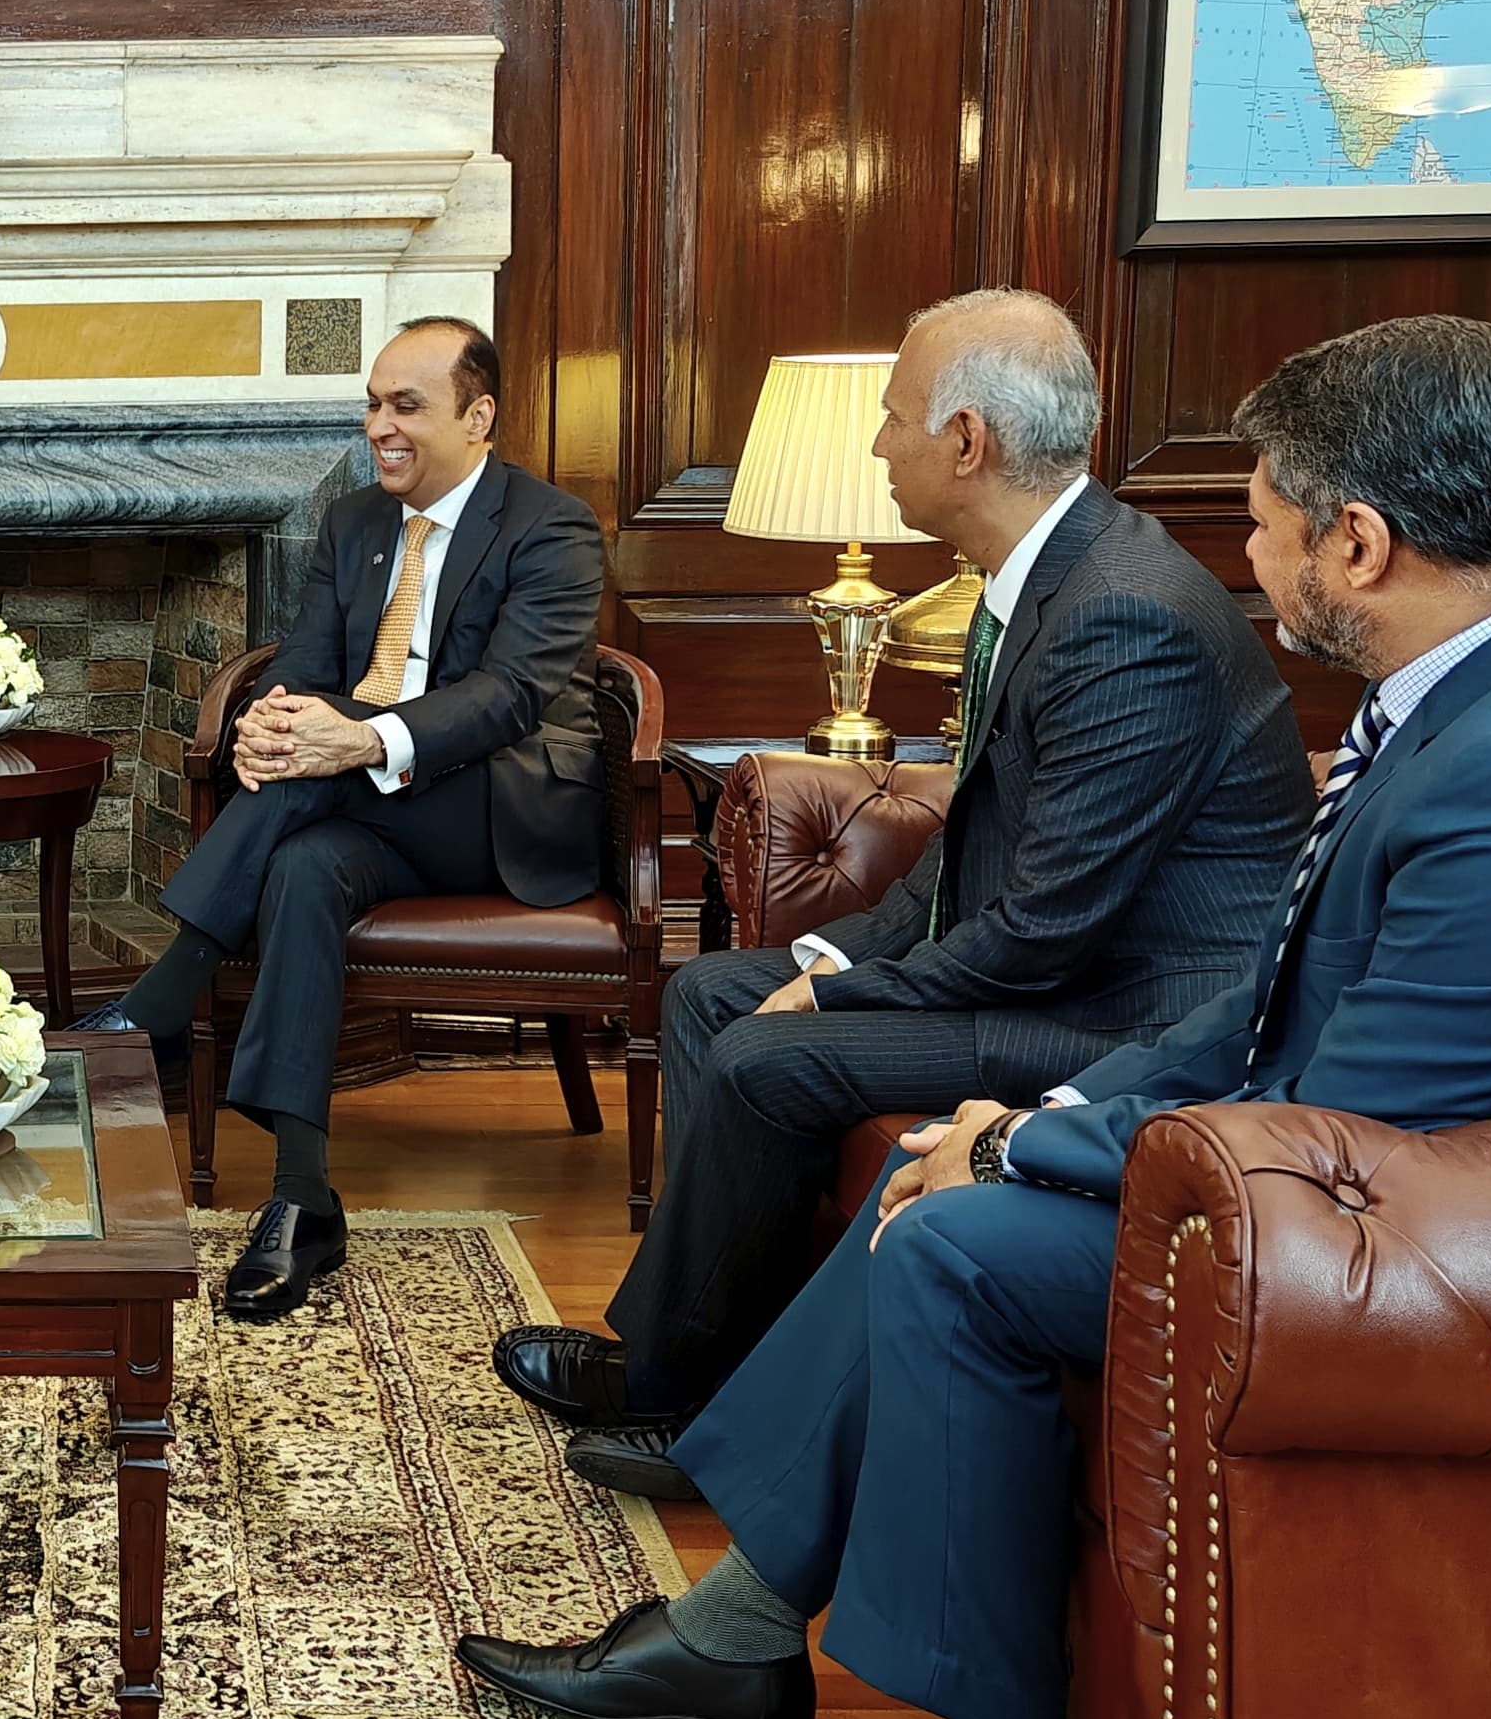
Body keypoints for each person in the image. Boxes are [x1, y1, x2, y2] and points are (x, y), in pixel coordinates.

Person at [453, 318, 1491, 1719]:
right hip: (1457, 1192)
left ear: (1361, 543)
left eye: (1262, 518)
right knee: (943, 1181)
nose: (1241, 554)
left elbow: (1347, 1119)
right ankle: (734, 1638)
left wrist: (1037, 1156)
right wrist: (1055, 1121)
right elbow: (1276, 993)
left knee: (961, 1243)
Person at [496, 291, 1308, 1494]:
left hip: (1125, 1012)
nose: (878, 447)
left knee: (775, 1058)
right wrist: (825, 967)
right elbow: (963, 856)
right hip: (1063, 967)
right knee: (717, 992)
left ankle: (697, 1413)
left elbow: (1046, 927)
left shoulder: (1123, 616)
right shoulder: (1046, 578)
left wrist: (834, 1005)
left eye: (891, 421)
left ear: (966, 441)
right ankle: (676, 1355)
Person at [81, 319, 605, 1323]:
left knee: (319, 771)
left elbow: (507, 698)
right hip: (353, 806)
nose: (380, 428)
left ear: (477, 415)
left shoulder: (550, 527)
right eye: (372, 404)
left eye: (405, 406)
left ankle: (152, 1010)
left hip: (493, 805)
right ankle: (299, 1199)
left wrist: (354, 742)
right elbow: (305, 668)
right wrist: (265, 727)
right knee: (303, 868)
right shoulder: (354, 520)